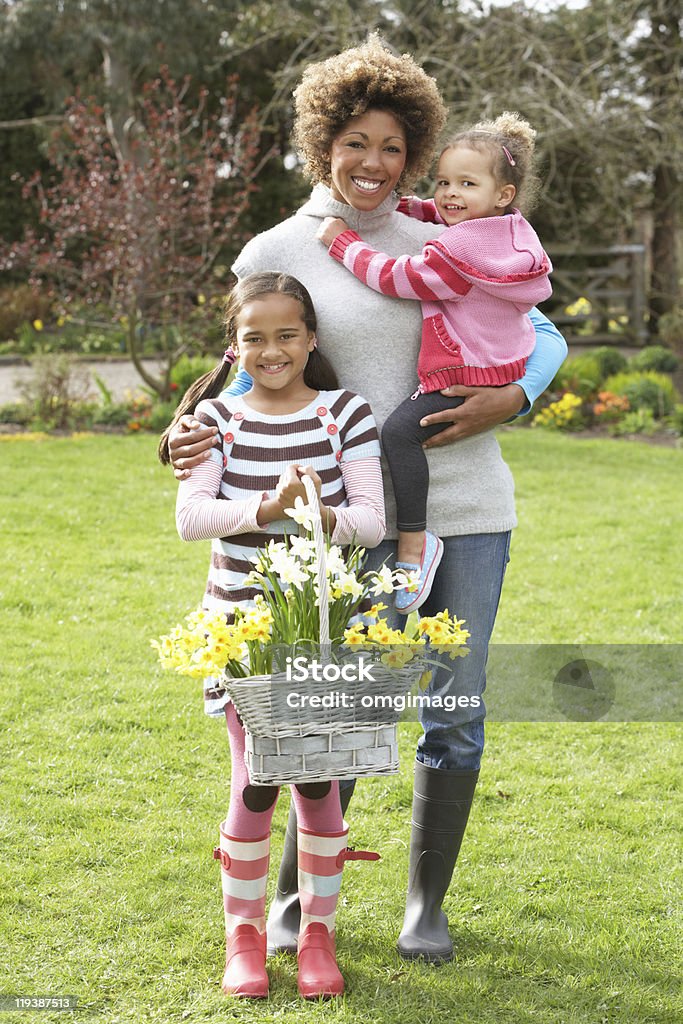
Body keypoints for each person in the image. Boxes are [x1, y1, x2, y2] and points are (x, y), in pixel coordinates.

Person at [164, 35, 568, 965]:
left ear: (414, 150)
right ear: (323, 143)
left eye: (391, 146)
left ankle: (424, 904)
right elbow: (246, 370)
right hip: (340, 526)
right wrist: (183, 434)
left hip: (465, 511)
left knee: (454, 710)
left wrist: (517, 395)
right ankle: (303, 908)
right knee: (330, 715)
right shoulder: (276, 246)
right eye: (354, 141)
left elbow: (542, 333)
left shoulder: (449, 234)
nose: (373, 163)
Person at [159, 272, 386, 999]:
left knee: (318, 783)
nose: (272, 349)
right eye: (254, 337)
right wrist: (268, 505)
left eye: (287, 334)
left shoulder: (343, 414)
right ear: (235, 343)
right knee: (255, 782)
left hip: (320, 632)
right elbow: (191, 520)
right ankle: (244, 939)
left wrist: (310, 512)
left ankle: (316, 934)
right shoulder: (215, 422)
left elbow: (372, 522)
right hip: (239, 631)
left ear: (310, 338)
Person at [316, 111, 552, 614]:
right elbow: (253, 356)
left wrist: (343, 242)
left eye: (467, 183)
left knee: (399, 433)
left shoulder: (459, 253)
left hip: (468, 403)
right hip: (350, 508)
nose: (449, 194)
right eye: (444, 182)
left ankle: (414, 545)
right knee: (369, 688)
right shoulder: (506, 237)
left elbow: (394, 276)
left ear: (502, 194)